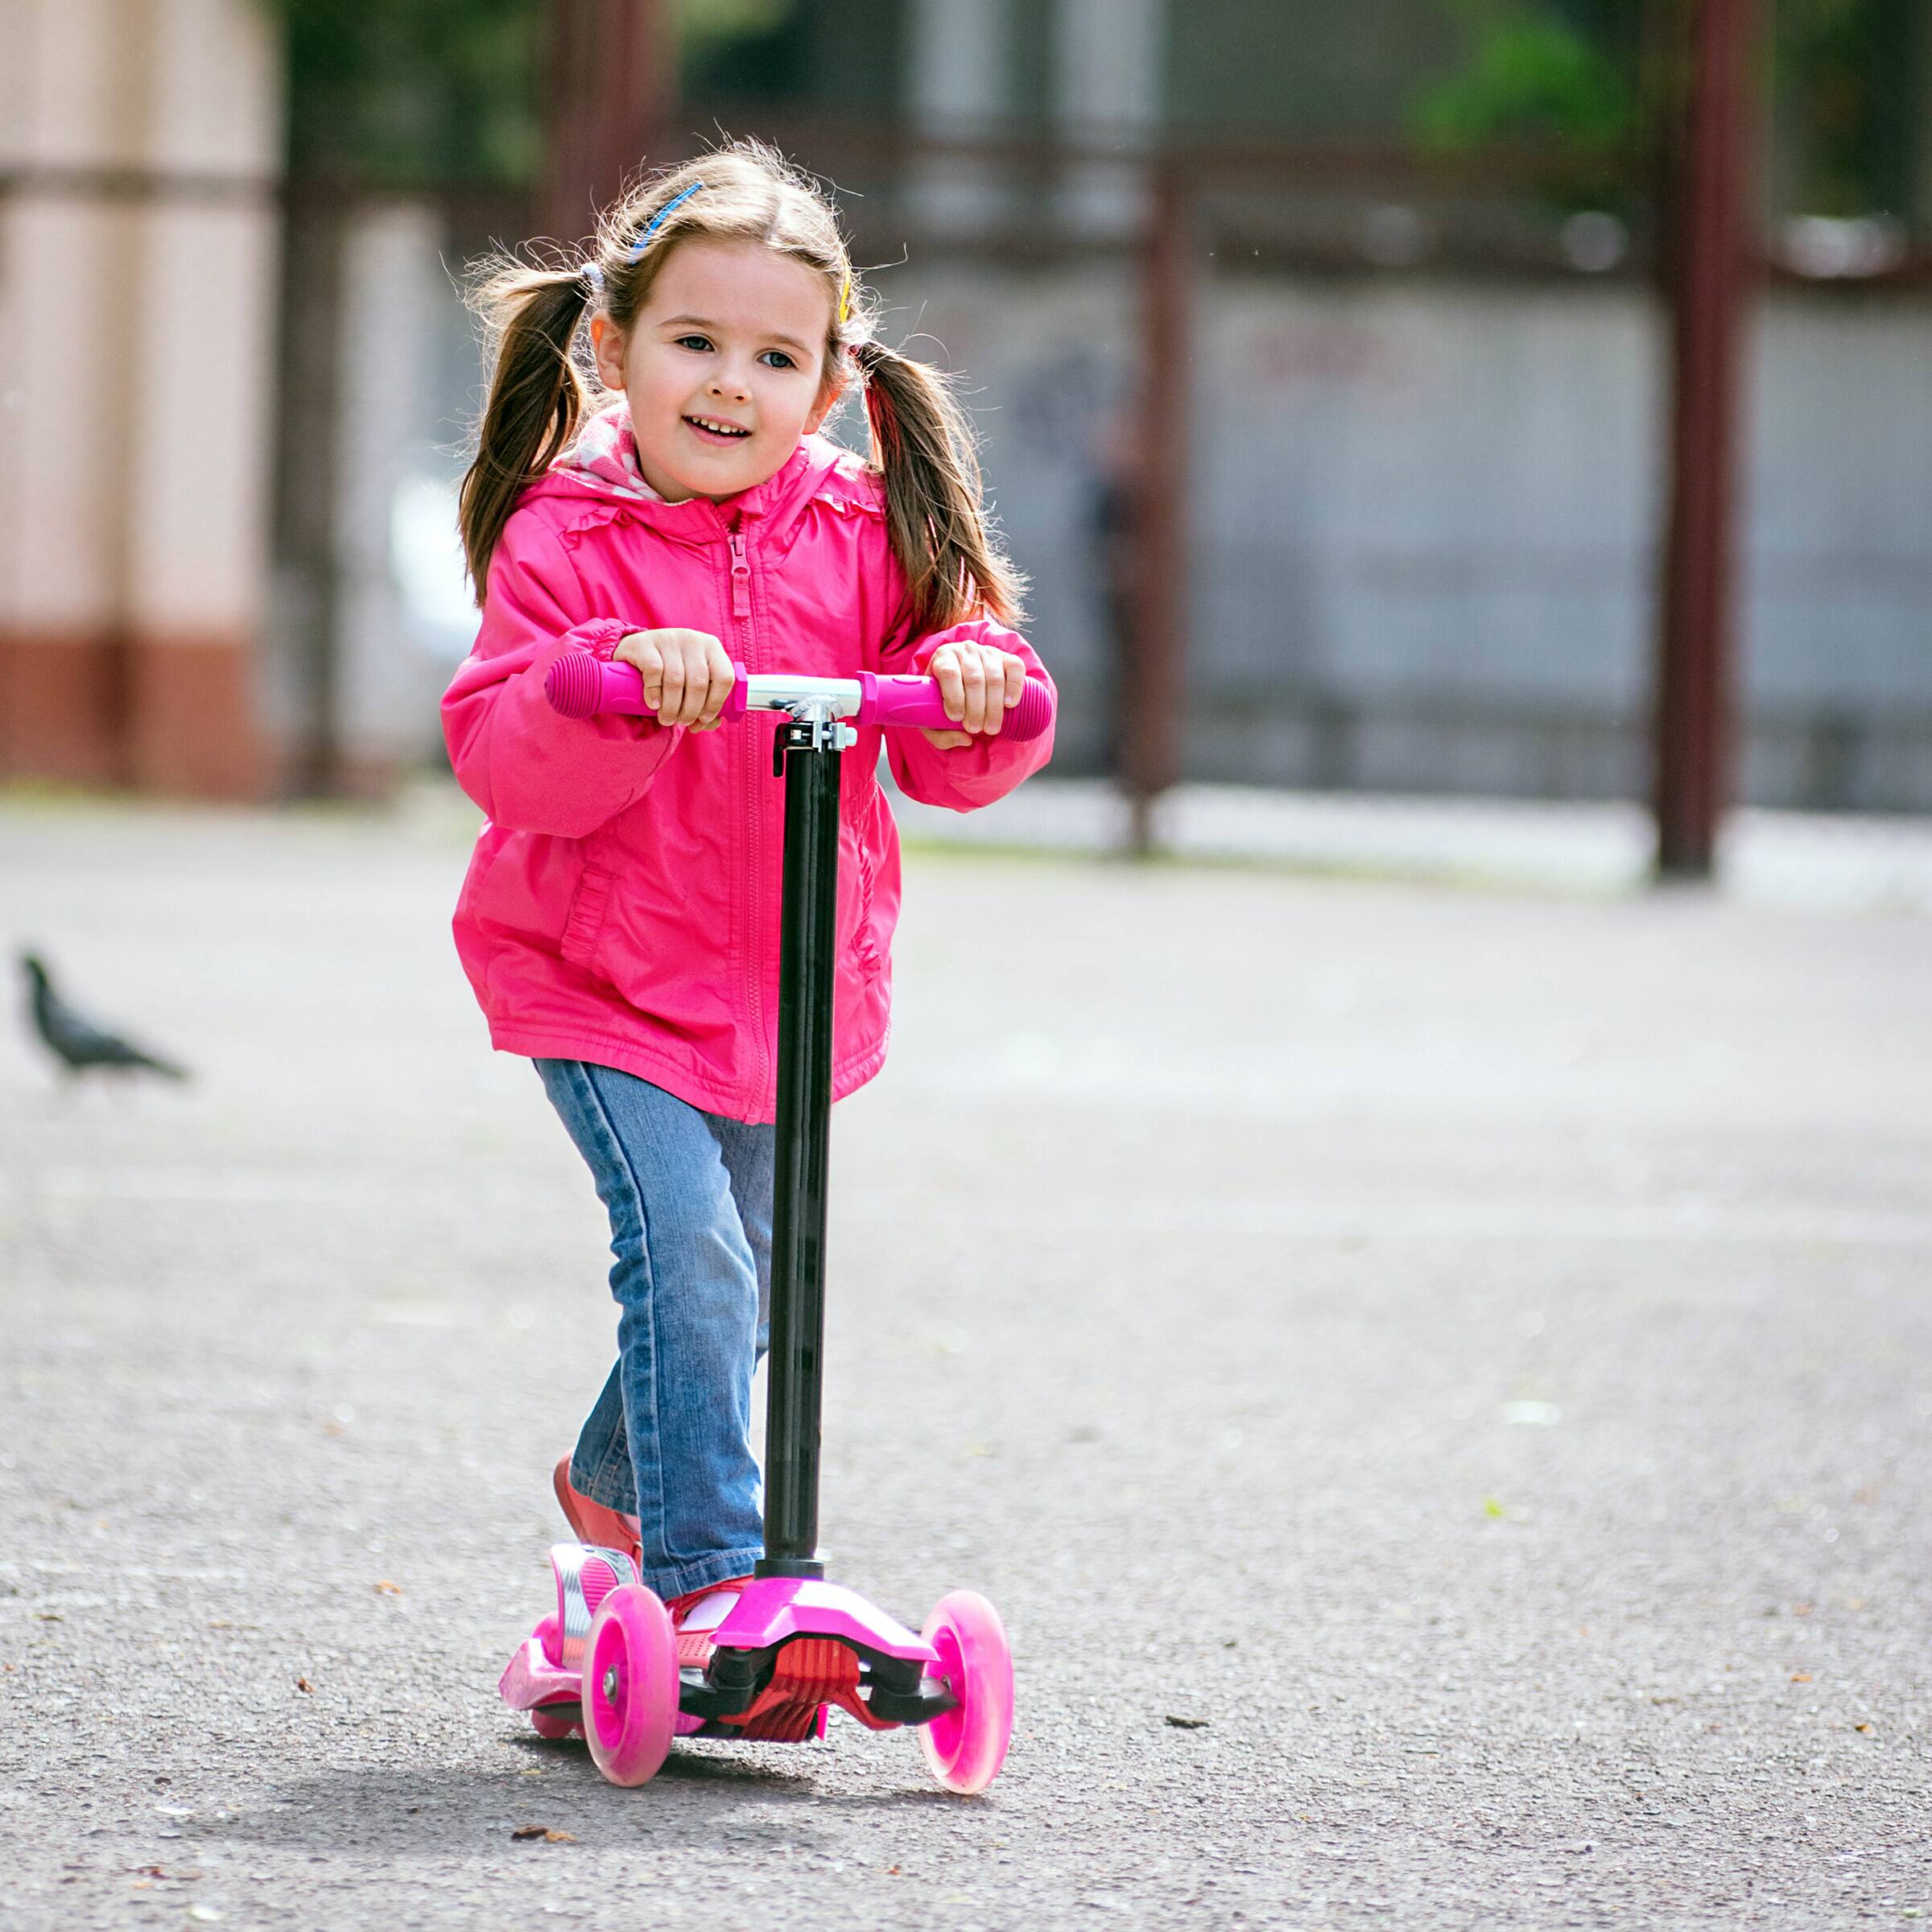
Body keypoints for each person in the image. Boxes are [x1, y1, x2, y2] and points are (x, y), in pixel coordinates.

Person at [441, 141, 1054, 1638]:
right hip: (600, 986)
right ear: (613, 348)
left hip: (787, 992)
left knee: (752, 1280)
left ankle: (611, 1476)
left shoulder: (866, 532)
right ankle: (715, 1579)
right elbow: (502, 749)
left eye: (774, 356)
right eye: (695, 342)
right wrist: (616, 693)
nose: (730, 384)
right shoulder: (565, 537)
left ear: (833, 379)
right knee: (694, 1254)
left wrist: (981, 685)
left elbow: (968, 728)